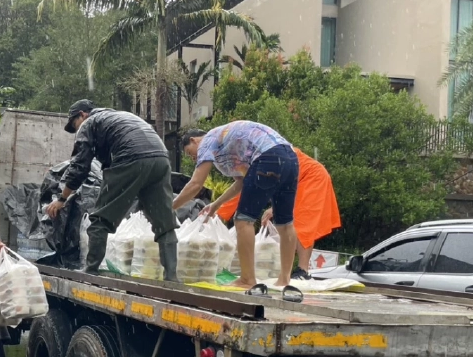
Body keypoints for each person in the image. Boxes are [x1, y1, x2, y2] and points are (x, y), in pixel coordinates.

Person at [46, 99, 179, 281]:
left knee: (100, 219)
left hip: (131, 158)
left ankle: (90, 270)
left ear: (82, 115)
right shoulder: (122, 117)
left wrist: (62, 199)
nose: (76, 130)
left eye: (75, 124)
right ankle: (171, 277)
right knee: (164, 223)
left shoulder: (89, 123)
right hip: (161, 160)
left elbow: (80, 166)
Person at [174, 122, 299, 290]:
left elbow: (196, 184)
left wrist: (171, 207)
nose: (194, 159)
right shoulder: (224, 145)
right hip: (290, 158)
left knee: (242, 220)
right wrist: (215, 205)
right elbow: (241, 182)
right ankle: (284, 280)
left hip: (268, 157)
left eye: (190, 153)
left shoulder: (207, 140)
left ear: (194, 140)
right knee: (285, 223)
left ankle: (247, 279)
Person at [211, 148, 341, 279]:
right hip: (296, 178)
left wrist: (275, 207)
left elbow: (281, 180)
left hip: (311, 177)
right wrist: (218, 211)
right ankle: (288, 271)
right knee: (291, 224)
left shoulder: (263, 157)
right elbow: (243, 189)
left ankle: (303, 270)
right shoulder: (253, 160)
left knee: (302, 224)